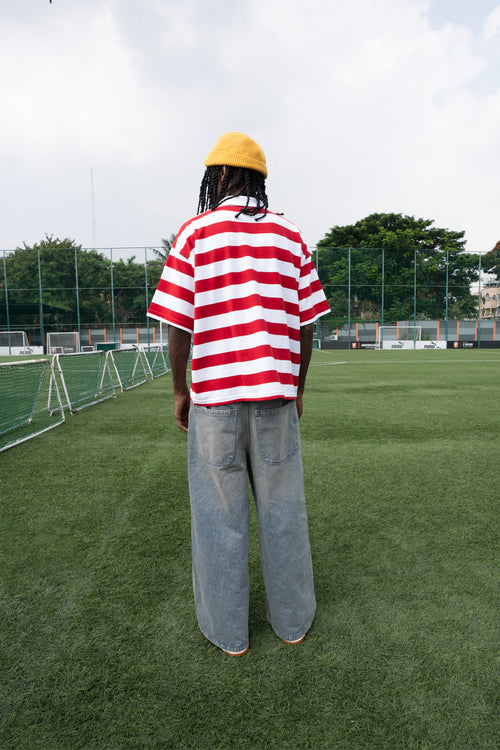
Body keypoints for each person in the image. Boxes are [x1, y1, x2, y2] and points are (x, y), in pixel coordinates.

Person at [147, 132, 330, 656]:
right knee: (284, 512)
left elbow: (178, 324)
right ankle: (292, 623)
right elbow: (308, 324)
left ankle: (229, 635)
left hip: (216, 402)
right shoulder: (290, 236)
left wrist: (180, 390)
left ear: (218, 176)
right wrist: (297, 387)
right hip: (275, 399)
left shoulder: (196, 234)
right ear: (259, 180)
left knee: (217, 518)